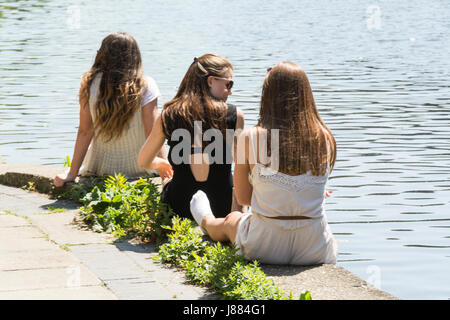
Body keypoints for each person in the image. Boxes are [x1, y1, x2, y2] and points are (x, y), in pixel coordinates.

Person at [189, 61, 338, 265]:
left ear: (267, 96)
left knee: (231, 220)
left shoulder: (250, 137)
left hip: (264, 245)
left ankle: (204, 218)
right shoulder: (325, 137)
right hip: (315, 247)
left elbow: (243, 198)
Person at [138, 54, 245, 219]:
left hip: (179, 208)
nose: (230, 91)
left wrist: (160, 163)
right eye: (228, 83)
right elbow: (241, 167)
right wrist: (238, 213)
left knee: (169, 181)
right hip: (221, 207)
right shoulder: (234, 115)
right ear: (210, 81)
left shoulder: (169, 114)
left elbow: (143, 161)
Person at [54, 32, 165, 187]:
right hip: (141, 169)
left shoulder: (89, 83)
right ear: (135, 56)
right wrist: (164, 173)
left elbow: (85, 131)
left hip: (100, 169)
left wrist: (72, 173)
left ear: (102, 55)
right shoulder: (146, 85)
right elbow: (153, 134)